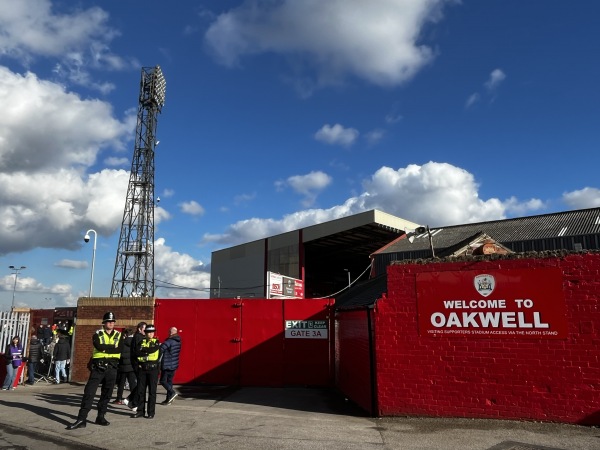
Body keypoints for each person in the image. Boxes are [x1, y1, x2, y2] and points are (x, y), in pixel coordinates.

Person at [66, 311, 123, 430]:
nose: (111, 323)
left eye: (113, 322)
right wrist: (112, 348)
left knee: (107, 394)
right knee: (89, 393)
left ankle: (100, 416)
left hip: (112, 368)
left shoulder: (119, 335)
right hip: (99, 368)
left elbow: (119, 349)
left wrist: (108, 350)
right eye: (109, 321)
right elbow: (99, 347)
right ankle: (81, 419)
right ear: (104, 323)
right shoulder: (97, 333)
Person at [132, 324, 160, 419]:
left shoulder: (156, 342)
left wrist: (144, 352)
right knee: (141, 391)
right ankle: (140, 411)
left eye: (152, 332)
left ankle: (151, 412)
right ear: (146, 333)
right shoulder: (141, 341)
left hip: (153, 369)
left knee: (152, 392)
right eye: (149, 332)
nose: (151, 334)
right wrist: (146, 352)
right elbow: (137, 354)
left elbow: (154, 353)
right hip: (142, 369)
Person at [123, 321, 146, 412]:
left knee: (141, 384)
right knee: (141, 384)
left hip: (136, 363)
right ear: (140, 329)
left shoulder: (139, 337)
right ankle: (133, 402)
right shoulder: (138, 337)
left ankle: (130, 400)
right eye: (144, 329)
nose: (146, 331)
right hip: (138, 364)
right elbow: (139, 351)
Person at [113, 328, 136, 405]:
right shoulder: (134, 342)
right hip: (132, 366)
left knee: (121, 384)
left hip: (123, 366)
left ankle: (119, 399)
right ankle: (133, 399)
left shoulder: (122, 342)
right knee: (132, 384)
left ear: (125, 334)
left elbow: (120, 354)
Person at [159, 326, 181, 405]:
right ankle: (169, 399)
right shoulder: (178, 341)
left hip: (167, 364)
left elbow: (161, 348)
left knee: (163, 381)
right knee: (169, 382)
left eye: (169, 331)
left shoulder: (170, 341)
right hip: (174, 364)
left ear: (171, 332)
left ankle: (172, 393)